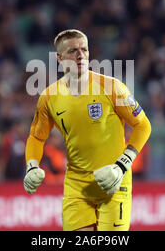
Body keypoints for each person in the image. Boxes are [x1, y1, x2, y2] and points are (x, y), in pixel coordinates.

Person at [23, 29, 152, 231]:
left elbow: (143, 125)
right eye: (73, 51)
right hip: (77, 186)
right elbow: (36, 137)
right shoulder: (49, 97)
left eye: (84, 49)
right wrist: (31, 165)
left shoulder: (111, 87)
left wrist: (122, 165)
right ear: (59, 58)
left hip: (114, 182)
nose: (80, 55)